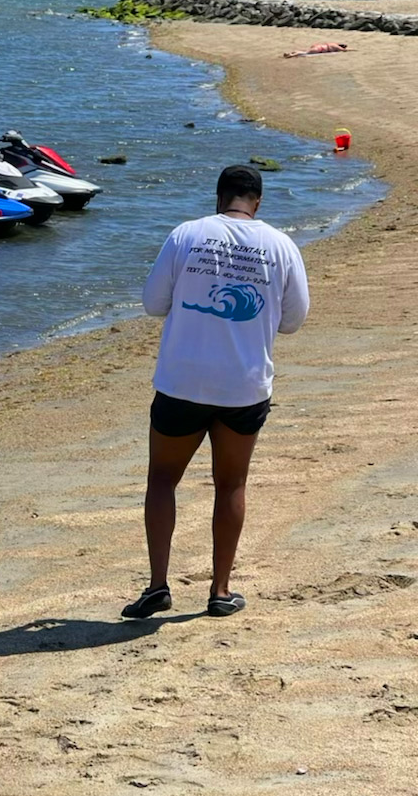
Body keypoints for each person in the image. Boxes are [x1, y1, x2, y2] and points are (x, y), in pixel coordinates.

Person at [122, 165, 309, 619]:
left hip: (182, 381)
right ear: (258, 202)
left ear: (218, 198)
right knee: (231, 484)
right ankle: (220, 591)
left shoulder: (187, 234)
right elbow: (294, 319)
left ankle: (157, 586)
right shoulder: (281, 245)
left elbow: (152, 304)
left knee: (162, 479)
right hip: (243, 385)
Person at [283, 42, 354, 58]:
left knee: (305, 51)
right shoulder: (336, 47)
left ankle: (292, 52)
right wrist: (353, 50)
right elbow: (344, 50)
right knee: (305, 54)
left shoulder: (333, 43)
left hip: (318, 46)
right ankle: (291, 55)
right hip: (320, 49)